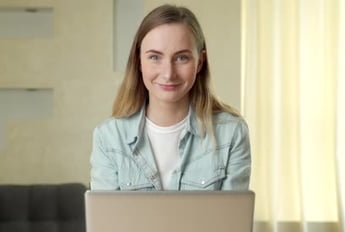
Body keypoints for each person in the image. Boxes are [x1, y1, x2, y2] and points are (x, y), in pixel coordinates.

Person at [90, 4, 251, 191]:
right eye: (155, 57)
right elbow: (106, 219)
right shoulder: (108, 137)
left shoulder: (232, 133)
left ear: (200, 62)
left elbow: (232, 218)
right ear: (138, 61)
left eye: (182, 58)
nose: (168, 74)